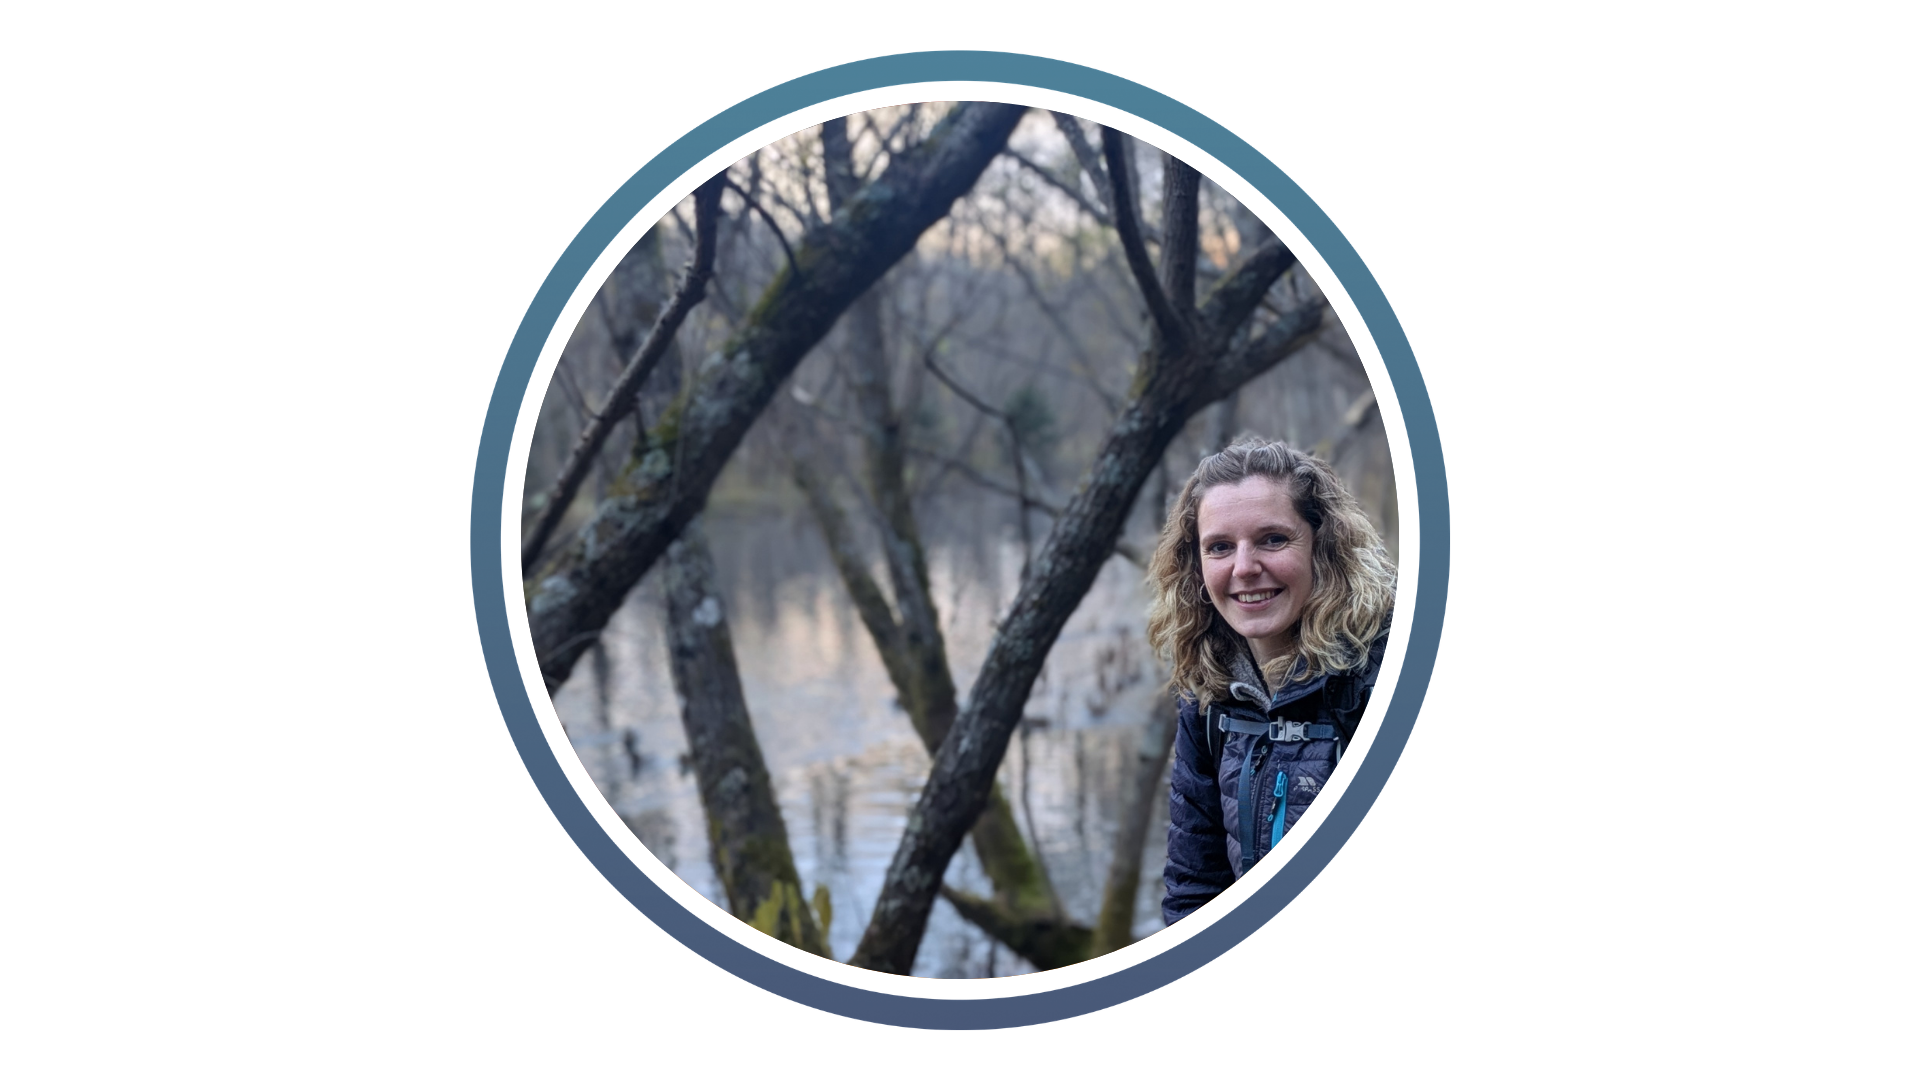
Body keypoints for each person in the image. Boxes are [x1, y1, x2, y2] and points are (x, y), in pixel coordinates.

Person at [1147, 436, 1396, 924]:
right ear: (1196, 566)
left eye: (1272, 539)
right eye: (1220, 547)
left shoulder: (1386, 676)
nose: (1244, 568)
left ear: (1323, 545)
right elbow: (1195, 890)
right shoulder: (1208, 695)